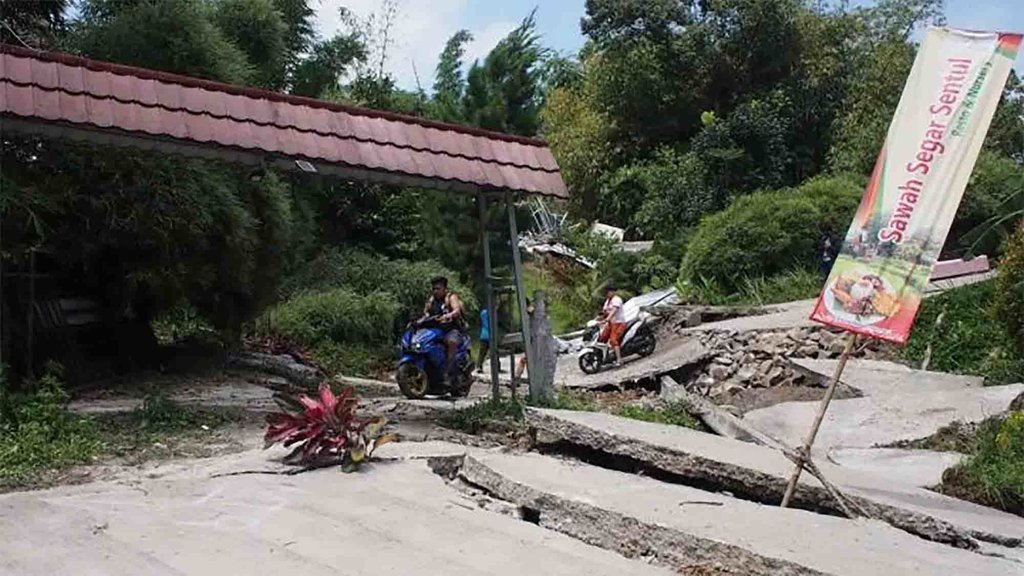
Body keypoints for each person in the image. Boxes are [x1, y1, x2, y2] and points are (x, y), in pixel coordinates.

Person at [419, 276, 466, 384]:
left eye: (438, 288)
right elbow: (425, 313)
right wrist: (418, 321)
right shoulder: (431, 299)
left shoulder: (451, 297)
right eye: (434, 288)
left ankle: (449, 373)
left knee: (451, 342)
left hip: (451, 329)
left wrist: (448, 315)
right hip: (435, 330)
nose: (435, 291)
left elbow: (456, 311)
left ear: (444, 289)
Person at [598, 285, 626, 367]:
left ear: (613, 292)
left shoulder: (617, 300)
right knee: (602, 337)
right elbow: (604, 312)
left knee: (613, 340)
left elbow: (614, 311)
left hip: (618, 323)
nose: (607, 294)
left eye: (608, 292)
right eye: (606, 293)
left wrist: (607, 318)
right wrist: (597, 319)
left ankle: (619, 359)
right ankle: (606, 357)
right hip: (611, 323)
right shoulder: (607, 301)